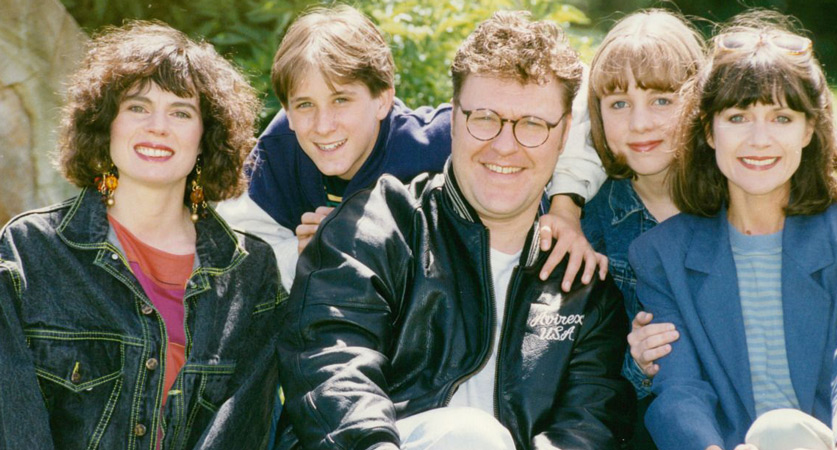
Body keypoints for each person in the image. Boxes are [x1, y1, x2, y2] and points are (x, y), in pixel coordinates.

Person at [277, 11, 634, 449]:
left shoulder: (583, 287)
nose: (505, 145)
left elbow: (588, 428)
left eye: (533, 125)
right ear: (454, 120)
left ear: (563, 138)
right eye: (484, 118)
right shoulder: (375, 227)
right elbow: (332, 362)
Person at [0, 22, 288, 449]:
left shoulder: (250, 273)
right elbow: (15, 425)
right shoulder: (28, 252)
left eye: (181, 112)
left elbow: (242, 428)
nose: (158, 126)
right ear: (106, 123)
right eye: (137, 107)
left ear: (206, 137)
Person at [629, 10, 837, 450]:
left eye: (781, 118)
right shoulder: (661, 255)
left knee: (782, 432)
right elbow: (680, 392)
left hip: (835, 443)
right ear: (709, 131)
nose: (759, 140)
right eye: (737, 117)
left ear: (810, 128)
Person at [216, 4, 604, 292]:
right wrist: (303, 256)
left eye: (341, 100)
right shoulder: (284, 146)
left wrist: (566, 205)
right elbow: (234, 247)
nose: (322, 125)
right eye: (304, 105)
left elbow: (583, 88)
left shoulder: (435, 140)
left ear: (384, 100)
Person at [574, 9, 705, 450]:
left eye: (661, 101)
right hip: (643, 424)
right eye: (618, 104)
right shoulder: (588, 221)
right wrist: (638, 364)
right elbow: (585, 381)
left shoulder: (735, 197)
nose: (640, 123)